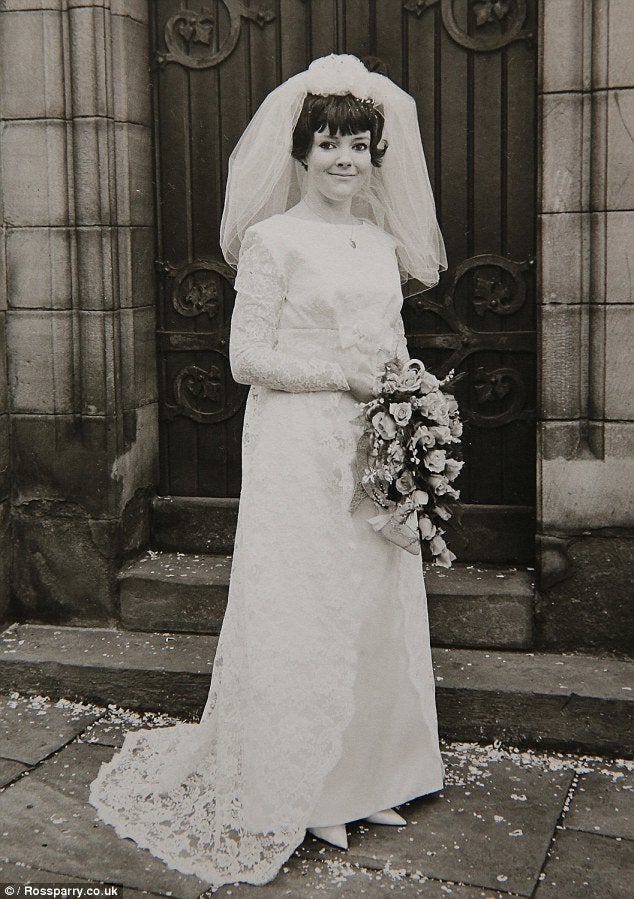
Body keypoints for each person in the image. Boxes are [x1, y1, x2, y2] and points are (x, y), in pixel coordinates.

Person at [88, 53, 448, 892]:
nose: (344, 159)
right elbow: (247, 358)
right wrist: (344, 378)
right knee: (305, 597)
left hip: (372, 442)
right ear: (301, 153)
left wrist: (410, 413)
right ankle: (306, 784)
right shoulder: (272, 239)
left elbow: (391, 348)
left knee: (370, 594)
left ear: (375, 155)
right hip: (298, 441)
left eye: (358, 144)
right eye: (328, 145)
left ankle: (375, 775)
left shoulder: (381, 242)